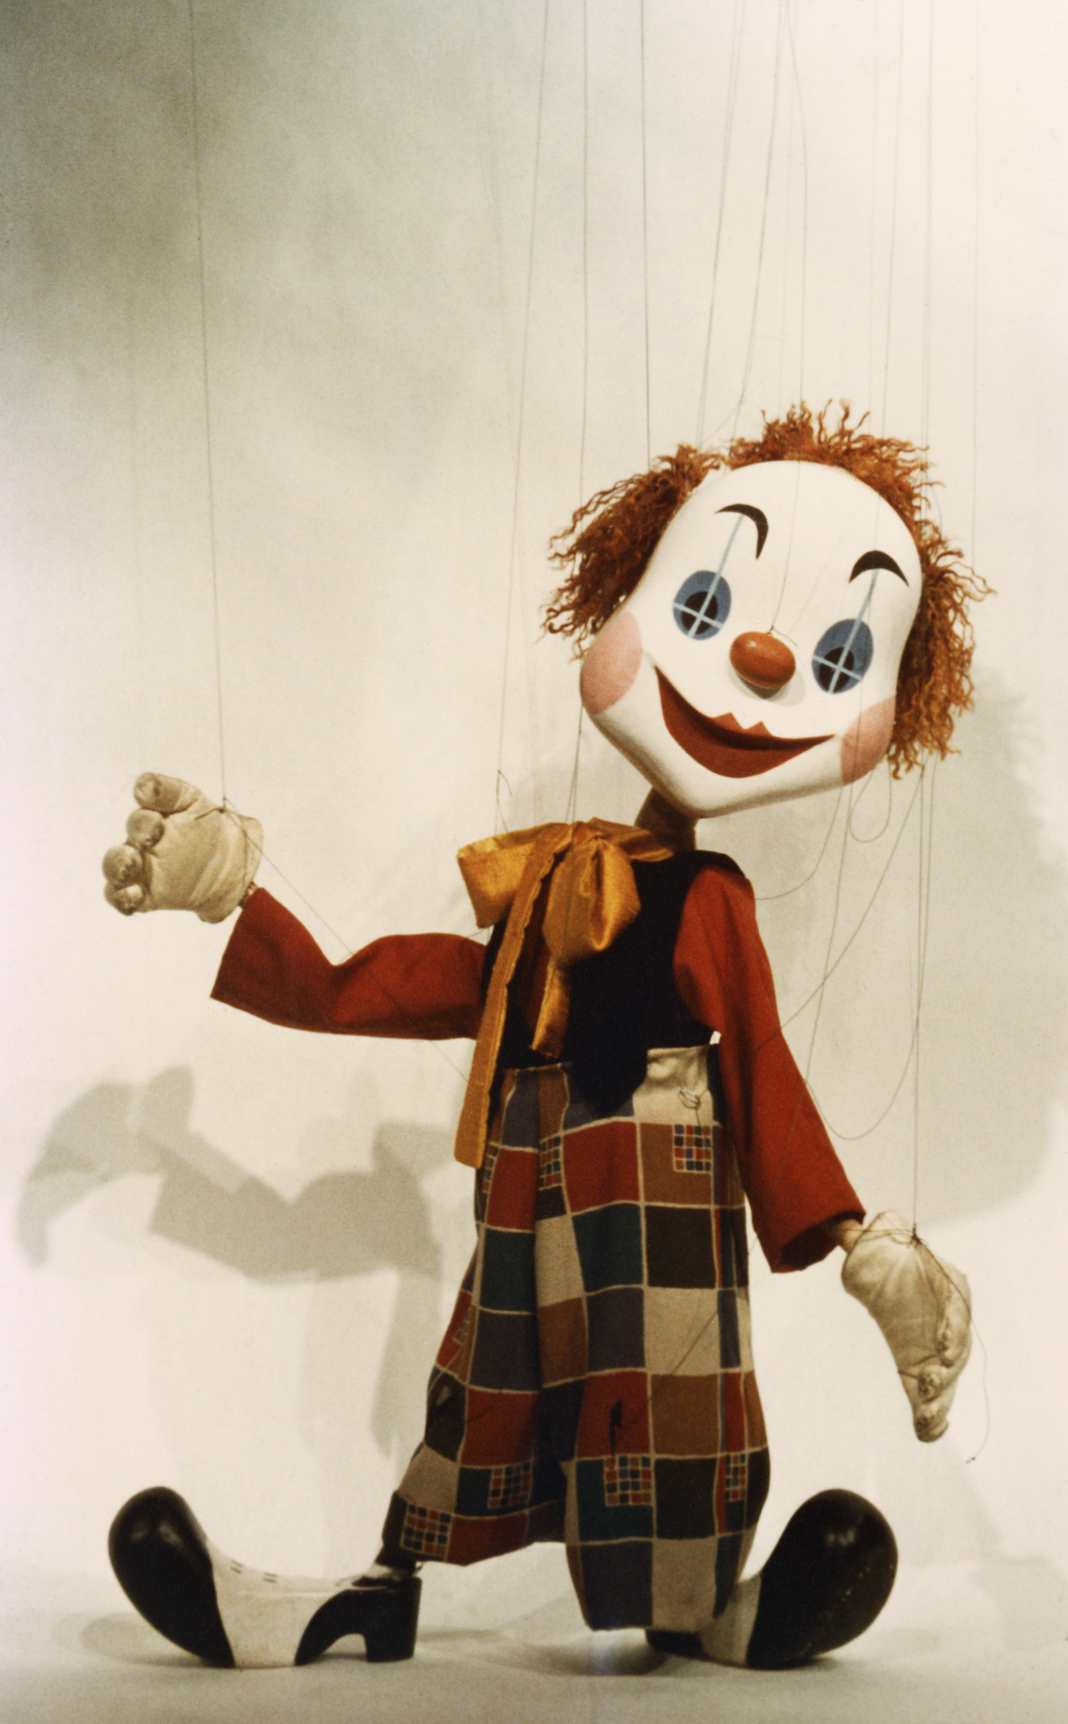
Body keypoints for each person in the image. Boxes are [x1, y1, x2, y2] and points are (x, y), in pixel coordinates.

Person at [102, 406, 979, 1671]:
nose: (764, 656)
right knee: (488, 1382)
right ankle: (381, 1590)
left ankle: (692, 1603)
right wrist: (242, 900)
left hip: (658, 1187)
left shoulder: (705, 899)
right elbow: (426, 983)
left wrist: (854, 1238)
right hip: (535, 1184)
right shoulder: (558, 876)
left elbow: (758, 1068)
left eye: (839, 654)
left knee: (662, 1399)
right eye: (706, 605)